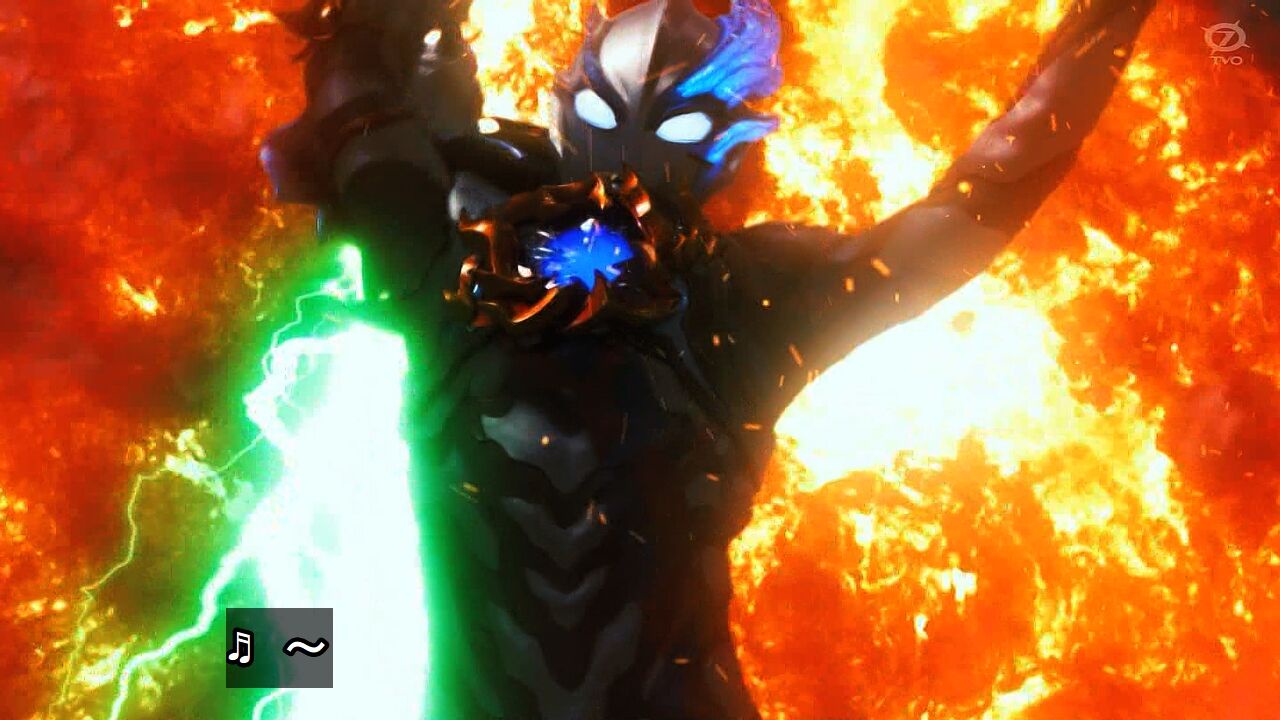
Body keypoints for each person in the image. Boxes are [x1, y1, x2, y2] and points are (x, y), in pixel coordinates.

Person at [262, 0, 1157, 717]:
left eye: (675, 126)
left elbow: (993, 184)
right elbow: (991, 186)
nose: (625, 152)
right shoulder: (466, 260)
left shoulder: (739, 300)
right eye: (605, 113)